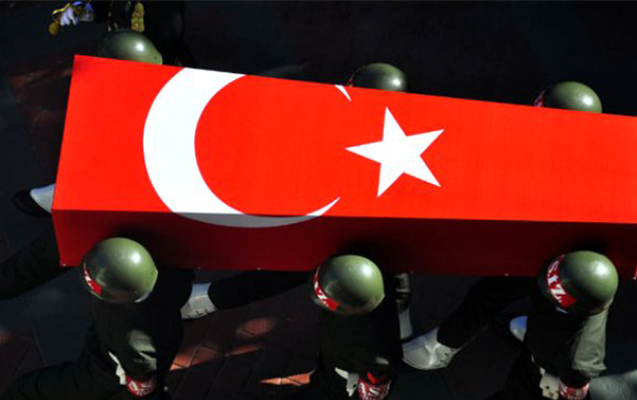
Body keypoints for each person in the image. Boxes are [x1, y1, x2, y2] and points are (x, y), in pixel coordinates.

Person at [402, 80, 605, 371]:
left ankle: (443, 346)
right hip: (564, 252)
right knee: (543, 303)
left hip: (547, 251)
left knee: (495, 294)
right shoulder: (596, 151)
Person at [1, 232, 194, 399]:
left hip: (106, 372)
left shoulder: (132, 338)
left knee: (26, 390)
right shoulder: (171, 277)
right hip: (132, 342)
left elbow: (141, 384)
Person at [285, 255, 400, 400]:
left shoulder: (376, 354)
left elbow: (374, 386)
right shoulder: (363, 282)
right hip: (334, 358)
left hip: (343, 381)